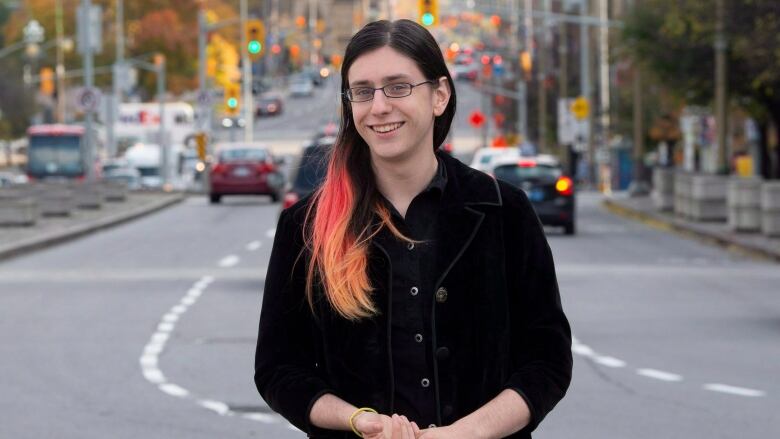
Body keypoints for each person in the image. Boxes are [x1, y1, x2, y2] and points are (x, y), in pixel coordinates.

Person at [255, 19, 572, 439]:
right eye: (363, 92)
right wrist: (357, 419)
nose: (380, 106)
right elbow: (279, 370)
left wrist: (463, 434)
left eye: (398, 86)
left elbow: (547, 360)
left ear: (439, 95)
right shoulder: (307, 226)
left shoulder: (504, 211)